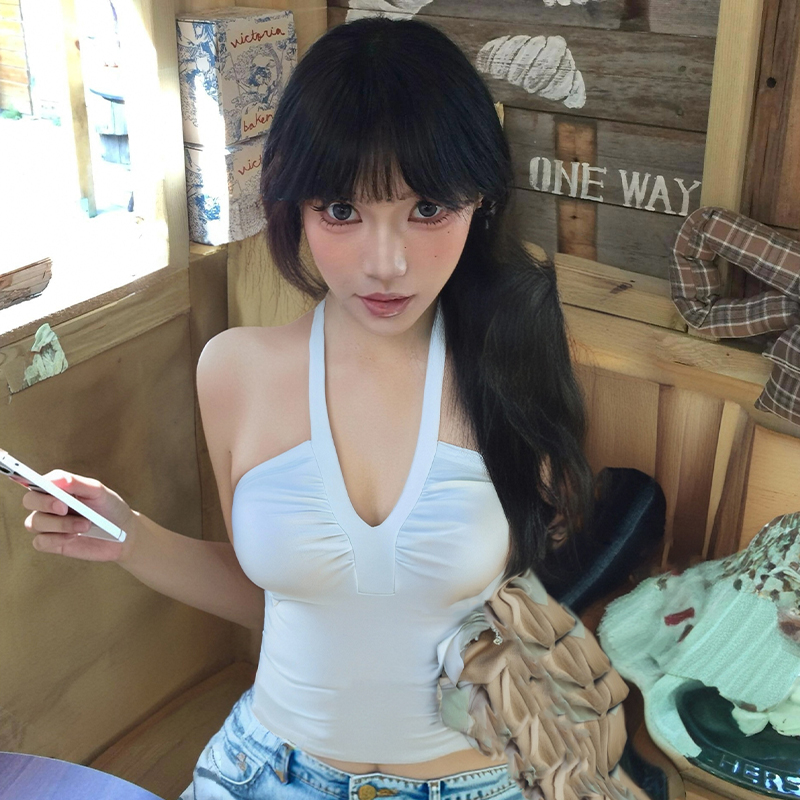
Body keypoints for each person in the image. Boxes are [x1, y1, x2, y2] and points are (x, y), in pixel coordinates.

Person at [20, 16, 595, 800]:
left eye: (428, 208)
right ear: (294, 206)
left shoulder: (515, 364)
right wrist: (129, 536)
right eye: (341, 210)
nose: (385, 264)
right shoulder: (236, 371)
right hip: (267, 772)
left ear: (481, 202)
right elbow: (275, 597)